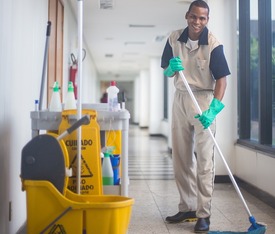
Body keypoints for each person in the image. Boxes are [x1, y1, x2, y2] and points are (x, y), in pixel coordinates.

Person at [161, 0, 230, 232]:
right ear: (187, 15)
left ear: (207, 20)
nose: (197, 22)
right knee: (180, 156)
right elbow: (166, 70)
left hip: (203, 101)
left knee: (204, 160)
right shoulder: (173, 38)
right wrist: (171, 68)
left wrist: (214, 110)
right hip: (181, 98)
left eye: (202, 18)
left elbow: (222, 80)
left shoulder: (213, 44)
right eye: (194, 16)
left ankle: (204, 213)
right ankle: (187, 206)